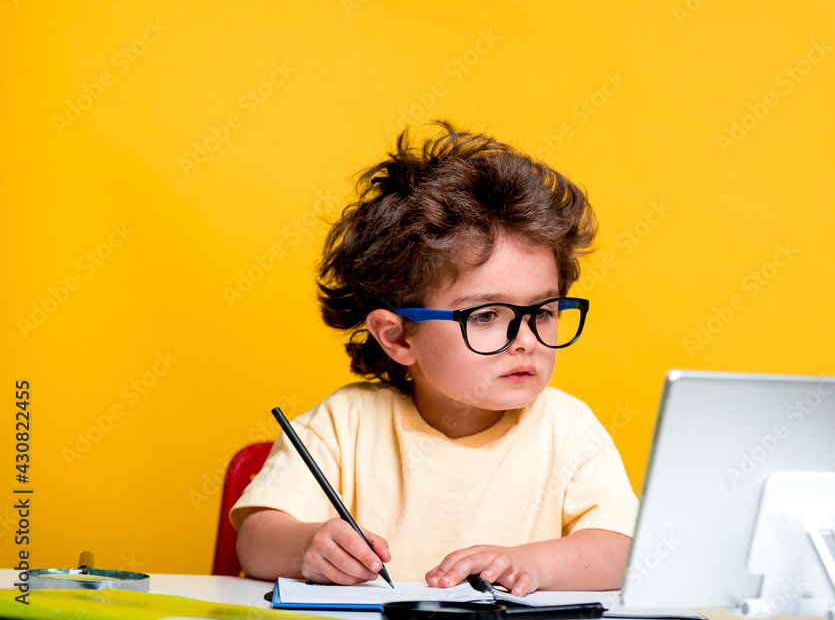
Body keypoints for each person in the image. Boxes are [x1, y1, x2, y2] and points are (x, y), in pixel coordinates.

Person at [232, 121, 638, 595]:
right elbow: (255, 542)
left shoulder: (569, 431)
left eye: (543, 311)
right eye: (487, 315)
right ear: (399, 336)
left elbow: (622, 551)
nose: (526, 339)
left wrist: (529, 563)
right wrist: (309, 547)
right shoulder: (345, 425)